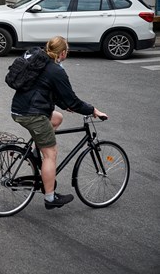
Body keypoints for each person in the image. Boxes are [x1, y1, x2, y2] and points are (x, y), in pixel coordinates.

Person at [11, 36, 107, 210]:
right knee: (51, 154)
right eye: (67, 51)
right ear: (62, 53)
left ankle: (35, 152)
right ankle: (50, 197)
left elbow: (48, 90)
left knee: (57, 118)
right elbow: (72, 99)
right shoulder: (56, 70)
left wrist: (65, 105)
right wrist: (93, 110)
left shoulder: (40, 61)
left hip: (19, 109)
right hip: (33, 114)